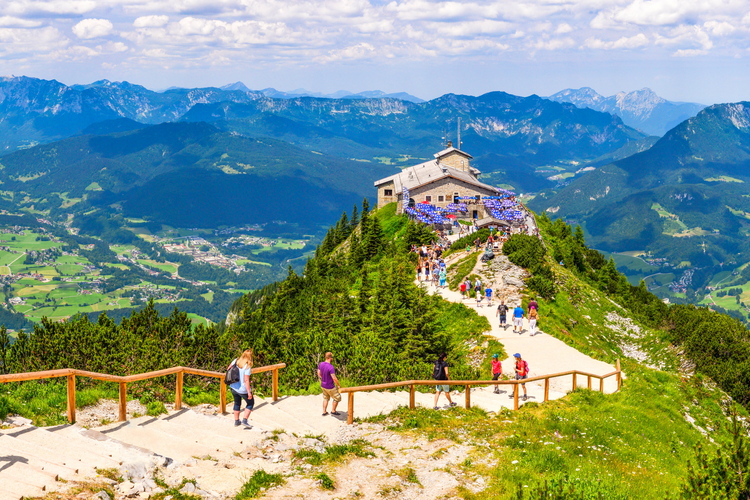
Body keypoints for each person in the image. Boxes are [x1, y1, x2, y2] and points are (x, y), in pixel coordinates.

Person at [229, 349, 255, 427]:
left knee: (237, 403)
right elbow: (246, 380)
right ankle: (245, 420)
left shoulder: (235, 361)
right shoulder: (247, 366)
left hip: (233, 386)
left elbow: (228, 369)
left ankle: (236, 421)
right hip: (243, 389)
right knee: (250, 403)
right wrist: (249, 392)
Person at [318, 352, 342, 416]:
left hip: (323, 385)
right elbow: (334, 378)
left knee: (326, 398)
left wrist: (324, 378)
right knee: (337, 398)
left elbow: (318, 373)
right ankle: (333, 411)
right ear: (330, 358)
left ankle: (324, 411)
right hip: (330, 386)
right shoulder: (331, 367)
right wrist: (339, 385)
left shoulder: (321, 364)